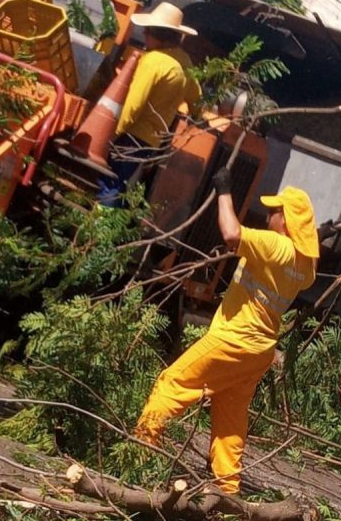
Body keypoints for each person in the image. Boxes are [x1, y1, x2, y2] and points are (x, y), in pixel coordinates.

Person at [134, 169, 320, 494]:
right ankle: (228, 495)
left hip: (234, 340)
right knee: (229, 423)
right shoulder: (305, 267)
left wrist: (224, 190)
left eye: (276, 212)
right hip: (258, 352)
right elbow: (300, 262)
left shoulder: (276, 246)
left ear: (287, 222)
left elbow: (232, 234)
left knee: (172, 383)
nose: (269, 216)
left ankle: (137, 457)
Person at [97, 2, 201, 206]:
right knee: (122, 186)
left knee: (109, 183)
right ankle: (106, 230)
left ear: (159, 34)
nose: (144, 34)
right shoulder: (185, 63)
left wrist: (110, 134)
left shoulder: (153, 61)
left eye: (148, 31)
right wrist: (195, 118)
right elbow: (197, 100)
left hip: (130, 137)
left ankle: (98, 232)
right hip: (150, 142)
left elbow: (132, 107)